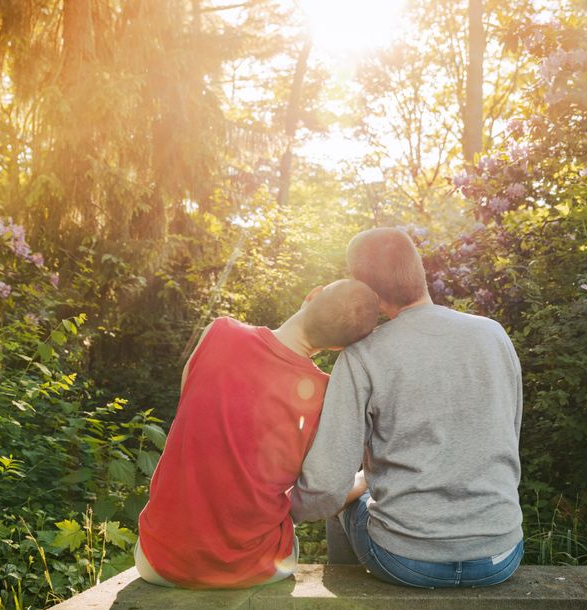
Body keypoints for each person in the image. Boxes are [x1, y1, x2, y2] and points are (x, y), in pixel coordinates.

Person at [290, 227, 524, 588]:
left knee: (344, 501)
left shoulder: (363, 355)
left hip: (405, 561)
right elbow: (508, 436)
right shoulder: (493, 334)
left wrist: (281, 512)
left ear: (366, 289)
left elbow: (325, 486)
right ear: (419, 270)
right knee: (357, 489)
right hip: (499, 555)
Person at [136, 279, 380, 589]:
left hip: (158, 561)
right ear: (337, 347)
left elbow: (188, 406)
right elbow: (323, 492)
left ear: (312, 294)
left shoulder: (219, 332)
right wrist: (363, 480)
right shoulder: (324, 395)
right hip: (253, 566)